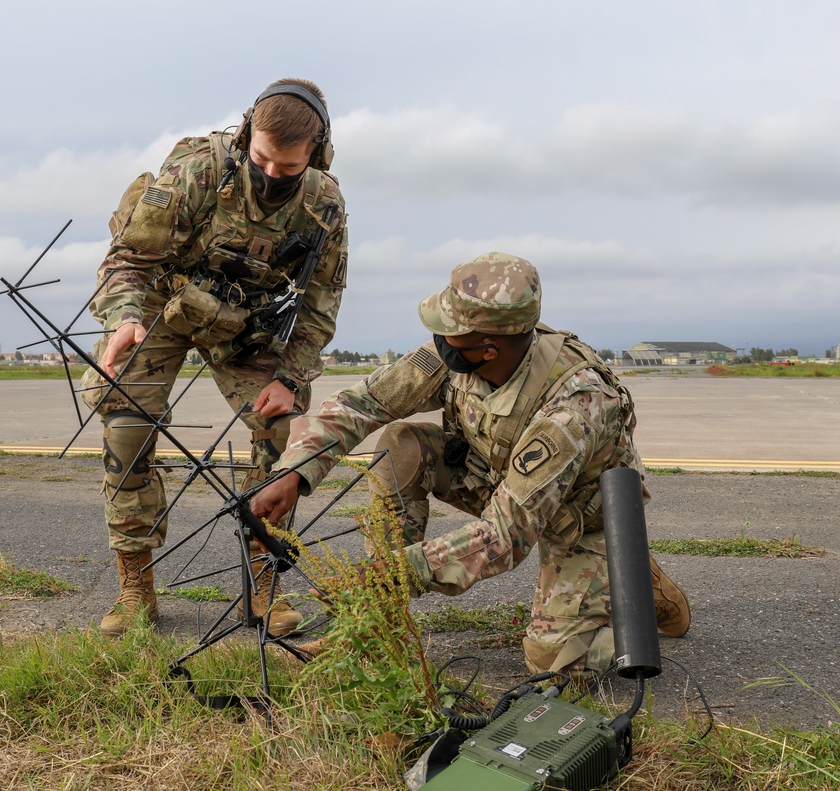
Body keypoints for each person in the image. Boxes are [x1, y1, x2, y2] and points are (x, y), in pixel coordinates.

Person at [251, 252, 690, 678]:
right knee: (402, 445)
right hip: (501, 483)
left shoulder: (573, 405)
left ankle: (631, 575)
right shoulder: (455, 355)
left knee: (554, 664)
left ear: (489, 347)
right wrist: (294, 470)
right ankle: (375, 628)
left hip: (579, 519)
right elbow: (363, 402)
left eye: (451, 330)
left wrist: (396, 573)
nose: (440, 337)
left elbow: (504, 536)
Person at [81, 78, 349, 638]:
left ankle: (264, 579)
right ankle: (135, 587)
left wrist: (289, 375)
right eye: (261, 159)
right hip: (158, 300)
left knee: (284, 430)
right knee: (127, 424)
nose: (271, 175)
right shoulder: (196, 171)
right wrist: (125, 318)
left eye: (289, 167)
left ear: (317, 155)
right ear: (248, 133)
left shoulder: (324, 204)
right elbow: (128, 258)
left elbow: (321, 302)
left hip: (242, 319)